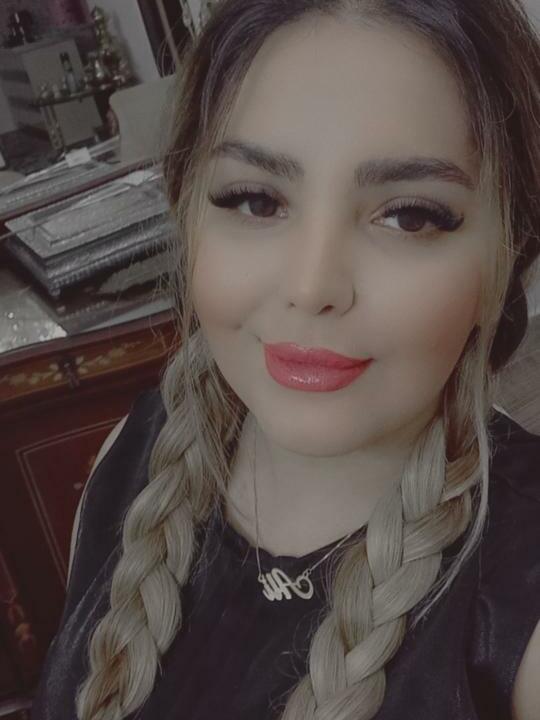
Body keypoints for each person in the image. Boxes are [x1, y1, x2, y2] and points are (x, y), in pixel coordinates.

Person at [30, 1, 540, 719]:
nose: (311, 285)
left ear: (505, 257)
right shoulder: (130, 458)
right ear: (187, 214)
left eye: (409, 215)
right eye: (256, 201)